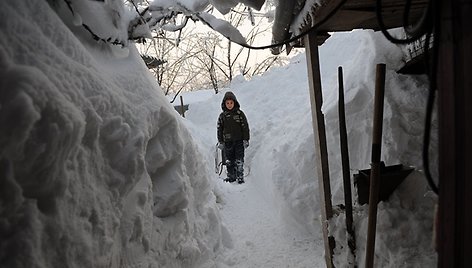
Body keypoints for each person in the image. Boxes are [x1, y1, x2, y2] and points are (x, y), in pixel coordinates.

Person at [217, 91, 250, 184]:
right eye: (227, 103)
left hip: (239, 141)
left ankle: (240, 176)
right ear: (224, 104)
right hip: (228, 142)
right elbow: (219, 129)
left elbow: (245, 127)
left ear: (234, 103)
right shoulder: (222, 116)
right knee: (229, 160)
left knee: (239, 159)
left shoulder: (240, 114)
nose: (229, 105)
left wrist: (246, 139)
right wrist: (221, 142)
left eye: (231, 103)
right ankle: (231, 176)